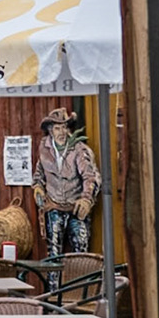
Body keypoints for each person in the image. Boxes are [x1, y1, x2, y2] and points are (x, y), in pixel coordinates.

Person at [32, 106, 100, 256]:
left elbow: (90, 176)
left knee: (80, 252)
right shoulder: (44, 148)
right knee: (53, 253)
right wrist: (38, 187)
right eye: (57, 128)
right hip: (54, 207)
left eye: (64, 127)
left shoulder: (79, 149)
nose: (61, 132)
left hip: (75, 208)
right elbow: (39, 173)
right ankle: (54, 273)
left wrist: (86, 199)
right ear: (51, 130)